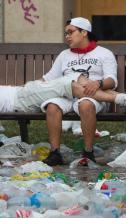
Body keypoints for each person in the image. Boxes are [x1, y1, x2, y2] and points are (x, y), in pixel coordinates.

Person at [40, 17, 118, 166]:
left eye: (70, 32)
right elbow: (48, 79)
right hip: (69, 95)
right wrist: (28, 89)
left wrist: (98, 83)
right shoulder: (64, 55)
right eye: (65, 33)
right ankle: (55, 153)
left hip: (93, 96)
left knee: (86, 105)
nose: (67, 36)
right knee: (52, 106)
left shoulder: (104, 53)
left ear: (84, 32)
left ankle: (88, 153)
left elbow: (112, 80)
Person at [0, 74, 126, 117]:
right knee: (71, 84)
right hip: (21, 98)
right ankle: (118, 99)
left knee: (77, 78)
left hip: (23, 95)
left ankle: (122, 97)